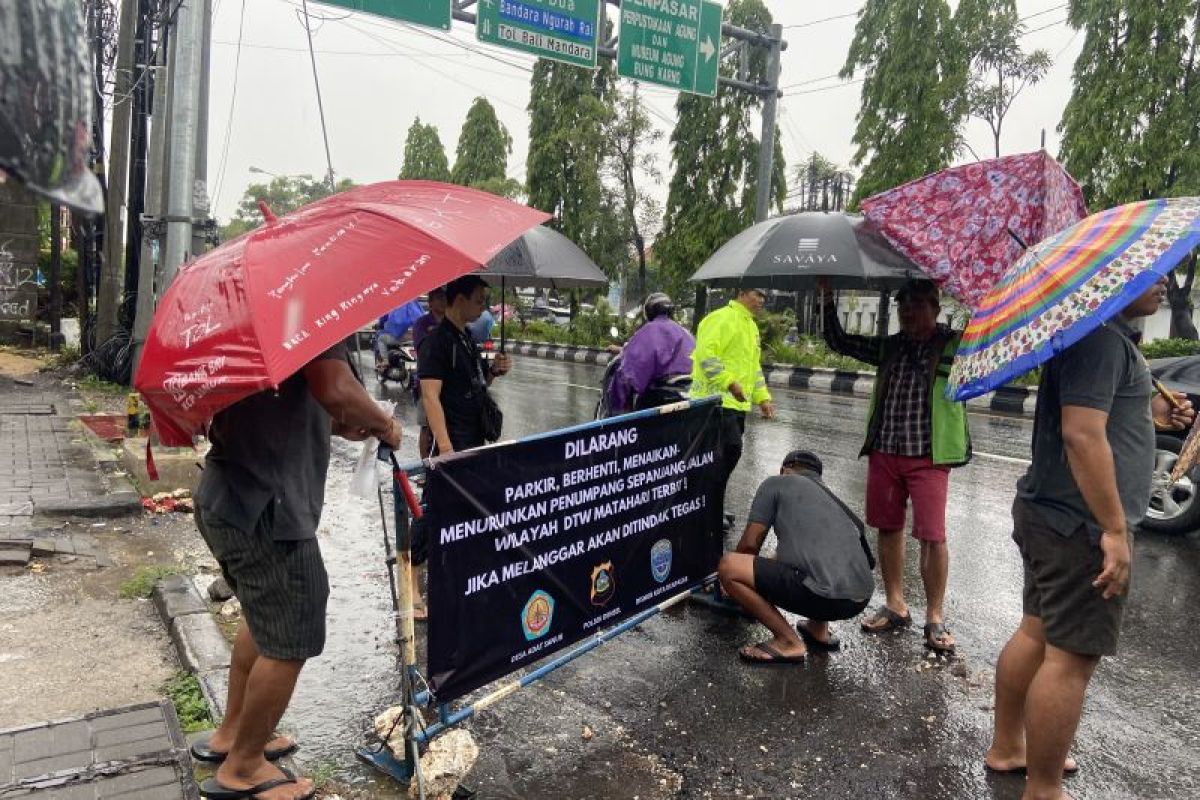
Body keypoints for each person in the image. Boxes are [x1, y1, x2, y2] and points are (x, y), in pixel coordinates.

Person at [984, 276, 1192, 800]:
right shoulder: (1100, 341)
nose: (1164, 282)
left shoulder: (1098, 337)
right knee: (1071, 657)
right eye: (1153, 274)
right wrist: (1115, 529)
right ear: (1117, 281)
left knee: (1036, 633)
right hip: (1079, 525)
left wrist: (1153, 413)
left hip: (1053, 515)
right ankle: (1045, 788)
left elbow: (1096, 415)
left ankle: (1011, 747)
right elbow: (1081, 431)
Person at [192, 342, 402, 800]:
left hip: (229, 495)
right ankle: (243, 767)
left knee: (263, 616)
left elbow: (295, 402)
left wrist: (341, 425)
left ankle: (234, 734)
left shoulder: (269, 324)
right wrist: (385, 423)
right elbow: (335, 387)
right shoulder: (308, 313)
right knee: (293, 633)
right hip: (267, 509)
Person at [819, 279, 970, 654]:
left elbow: (993, 347)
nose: (908, 311)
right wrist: (826, 297)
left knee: (932, 536)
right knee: (888, 528)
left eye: (917, 304)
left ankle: (934, 615)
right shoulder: (890, 346)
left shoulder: (956, 344)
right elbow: (839, 341)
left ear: (936, 308)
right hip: (886, 450)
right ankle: (896, 604)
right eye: (903, 305)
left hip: (930, 455)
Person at [718, 451, 875, 665]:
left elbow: (749, 545)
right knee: (818, 564)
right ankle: (818, 629)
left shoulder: (776, 483)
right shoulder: (833, 500)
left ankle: (787, 641)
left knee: (729, 566)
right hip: (858, 599)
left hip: (824, 596)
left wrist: (733, 588)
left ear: (784, 469)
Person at [690, 286, 776, 534]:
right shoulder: (720, 319)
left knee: (723, 458)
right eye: (757, 294)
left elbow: (753, 368)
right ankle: (706, 508)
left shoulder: (750, 327)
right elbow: (706, 356)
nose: (761, 300)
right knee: (728, 453)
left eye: (763, 296)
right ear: (741, 292)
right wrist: (729, 382)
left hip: (737, 405)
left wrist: (763, 398)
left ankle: (711, 504)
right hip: (714, 403)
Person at [418, 275, 511, 454]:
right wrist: (445, 447)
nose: (483, 307)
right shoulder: (436, 342)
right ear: (460, 300)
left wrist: (494, 370)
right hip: (453, 442)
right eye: (478, 301)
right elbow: (430, 396)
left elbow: (480, 382)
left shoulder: (467, 337)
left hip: (474, 437)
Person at [608, 293, 695, 413]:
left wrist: (618, 409)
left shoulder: (649, 331)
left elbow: (628, 373)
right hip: (690, 394)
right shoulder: (686, 333)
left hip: (658, 399)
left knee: (622, 380)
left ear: (649, 311)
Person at [411, 288, 448, 457]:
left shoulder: (451, 322)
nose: (443, 301)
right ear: (431, 303)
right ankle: (425, 465)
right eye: (438, 298)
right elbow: (423, 347)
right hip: (425, 382)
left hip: (447, 383)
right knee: (426, 426)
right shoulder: (421, 324)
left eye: (445, 298)